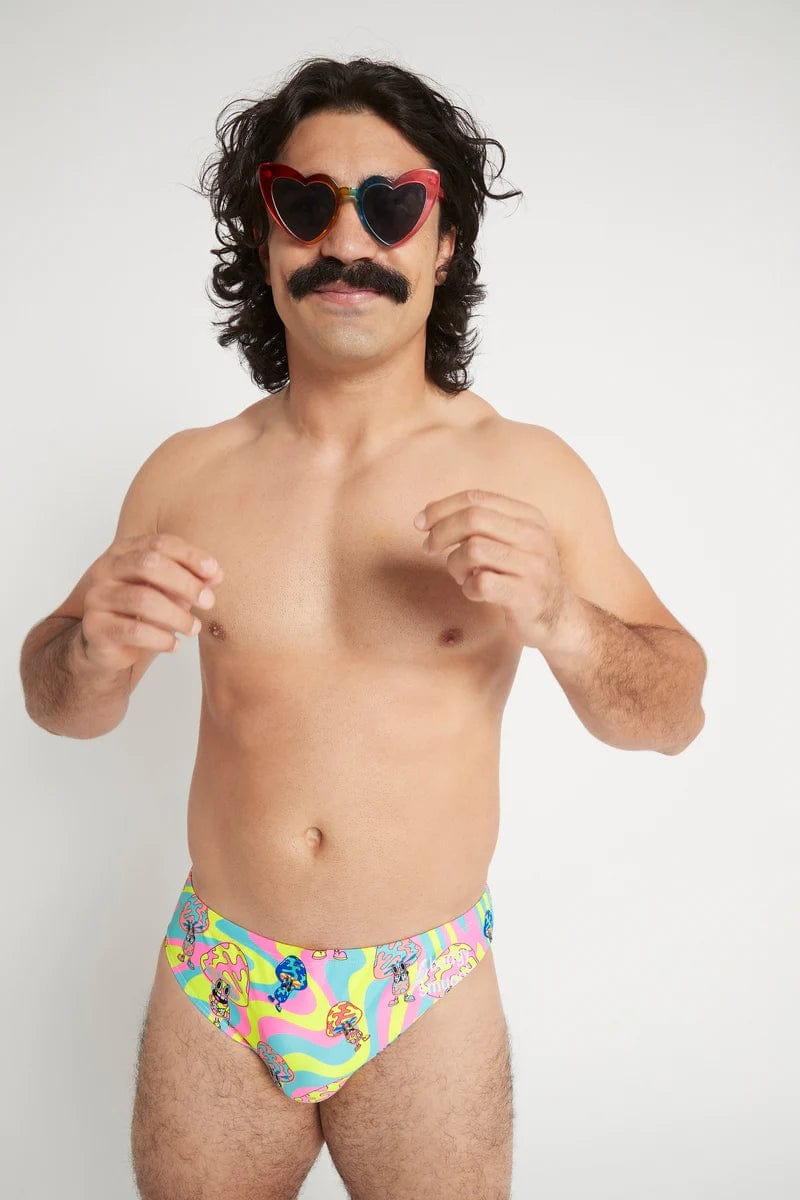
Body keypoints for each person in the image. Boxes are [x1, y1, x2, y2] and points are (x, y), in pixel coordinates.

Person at [19, 55, 707, 1200]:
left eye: (391, 206)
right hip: (220, 974)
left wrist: (560, 616)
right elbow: (58, 706)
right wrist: (88, 649)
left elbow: (674, 713)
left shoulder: (525, 470)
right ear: (266, 240)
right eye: (305, 202)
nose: (346, 240)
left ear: (444, 246)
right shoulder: (185, 474)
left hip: (421, 987)